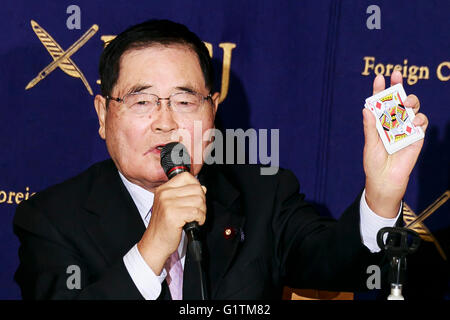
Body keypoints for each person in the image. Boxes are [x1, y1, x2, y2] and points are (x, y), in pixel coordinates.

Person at [13, 19, 428, 300]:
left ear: (212, 112)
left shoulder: (263, 193)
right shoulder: (51, 219)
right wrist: (152, 247)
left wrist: (381, 196)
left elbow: (343, 267)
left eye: (184, 100)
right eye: (142, 101)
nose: (166, 123)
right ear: (104, 115)